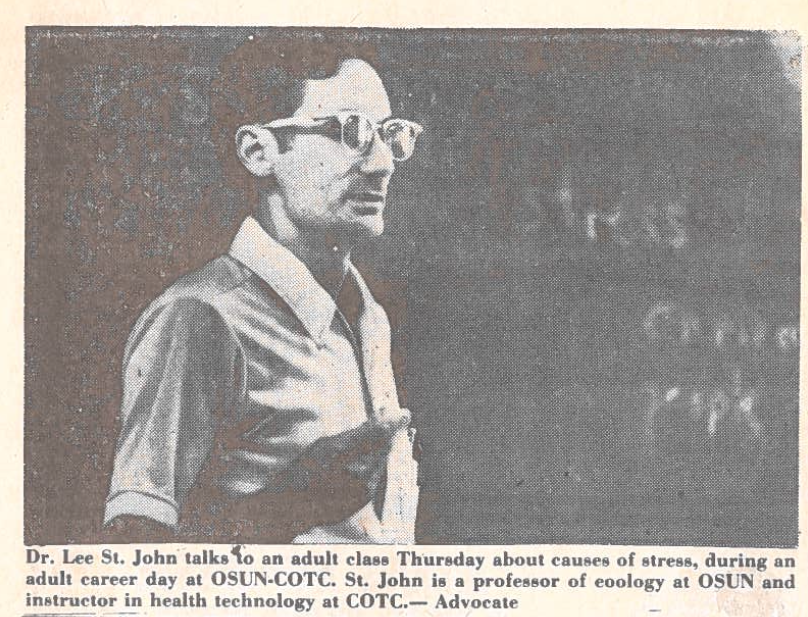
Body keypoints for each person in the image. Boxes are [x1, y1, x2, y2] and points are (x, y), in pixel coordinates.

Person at [103, 40, 422, 544]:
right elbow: (133, 550)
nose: (383, 163)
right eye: (350, 131)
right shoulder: (200, 316)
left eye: (390, 134)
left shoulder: (368, 317)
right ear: (258, 152)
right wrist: (289, 506)